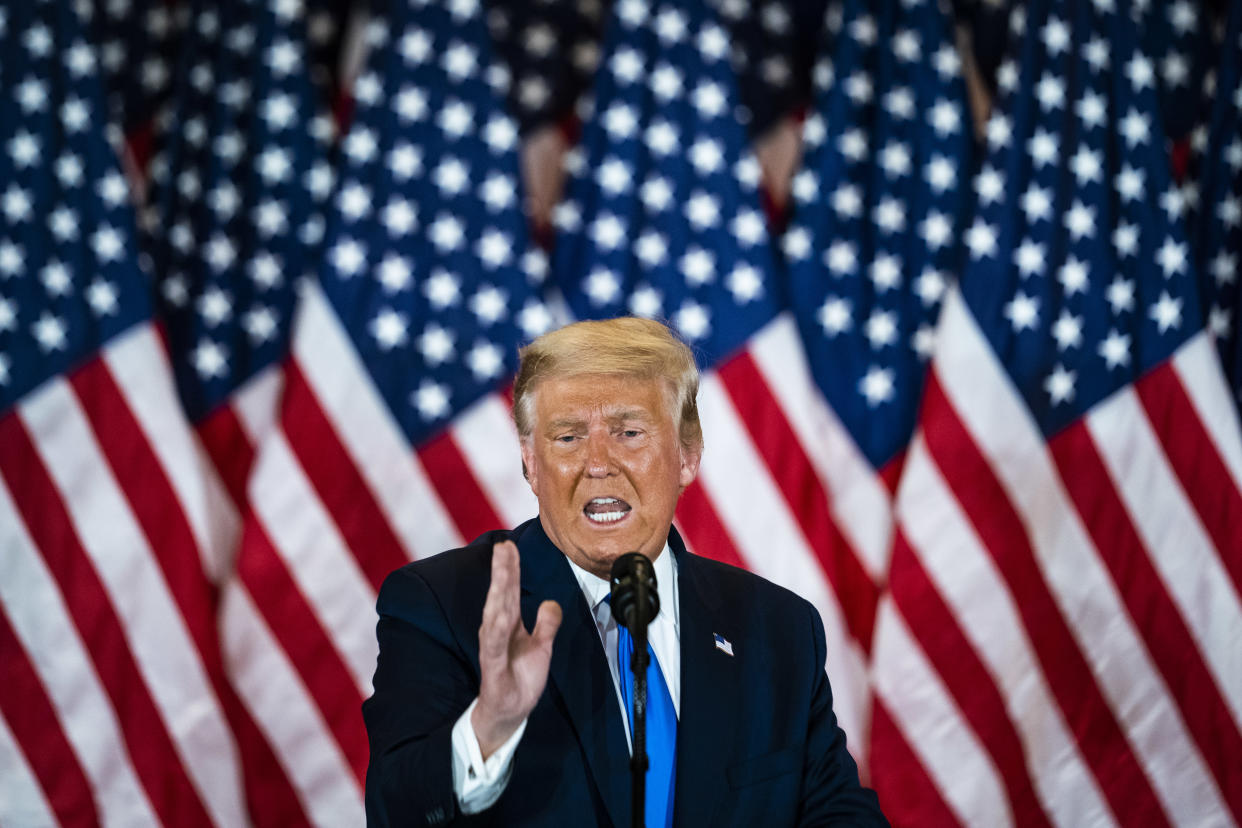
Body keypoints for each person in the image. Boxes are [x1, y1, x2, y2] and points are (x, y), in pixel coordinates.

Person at [363, 317, 888, 827]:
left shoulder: (778, 629)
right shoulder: (443, 605)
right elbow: (394, 809)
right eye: (567, 438)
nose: (598, 463)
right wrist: (487, 729)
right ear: (529, 462)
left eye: (630, 431)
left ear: (687, 455)